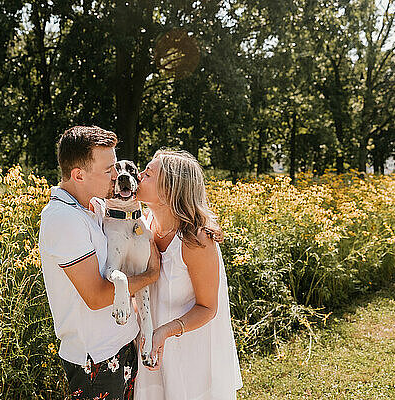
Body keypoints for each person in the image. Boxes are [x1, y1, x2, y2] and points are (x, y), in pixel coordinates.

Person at [38, 126, 161, 400]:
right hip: (96, 357)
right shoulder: (63, 219)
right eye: (108, 171)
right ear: (78, 175)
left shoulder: (95, 207)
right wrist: (151, 275)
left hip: (123, 342)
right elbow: (95, 296)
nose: (116, 176)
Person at [133, 149, 243, 400]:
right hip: (152, 349)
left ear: (169, 190)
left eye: (148, 174)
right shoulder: (144, 224)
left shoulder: (197, 239)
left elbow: (207, 307)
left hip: (189, 350)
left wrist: (164, 332)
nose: (138, 176)